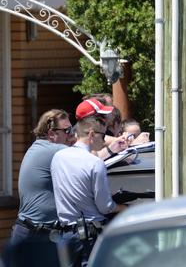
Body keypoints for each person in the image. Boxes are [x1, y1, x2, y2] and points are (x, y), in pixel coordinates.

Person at [51, 116, 128, 265]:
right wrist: (124, 208)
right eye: (103, 135)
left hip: (66, 234)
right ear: (92, 134)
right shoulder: (95, 163)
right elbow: (105, 207)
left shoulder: (58, 157)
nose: (105, 140)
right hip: (90, 235)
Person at [9, 109, 74, 245]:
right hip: (35, 234)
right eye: (67, 131)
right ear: (51, 133)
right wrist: (111, 148)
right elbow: (86, 158)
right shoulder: (51, 150)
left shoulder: (42, 148)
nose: (71, 135)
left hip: (33, 231)